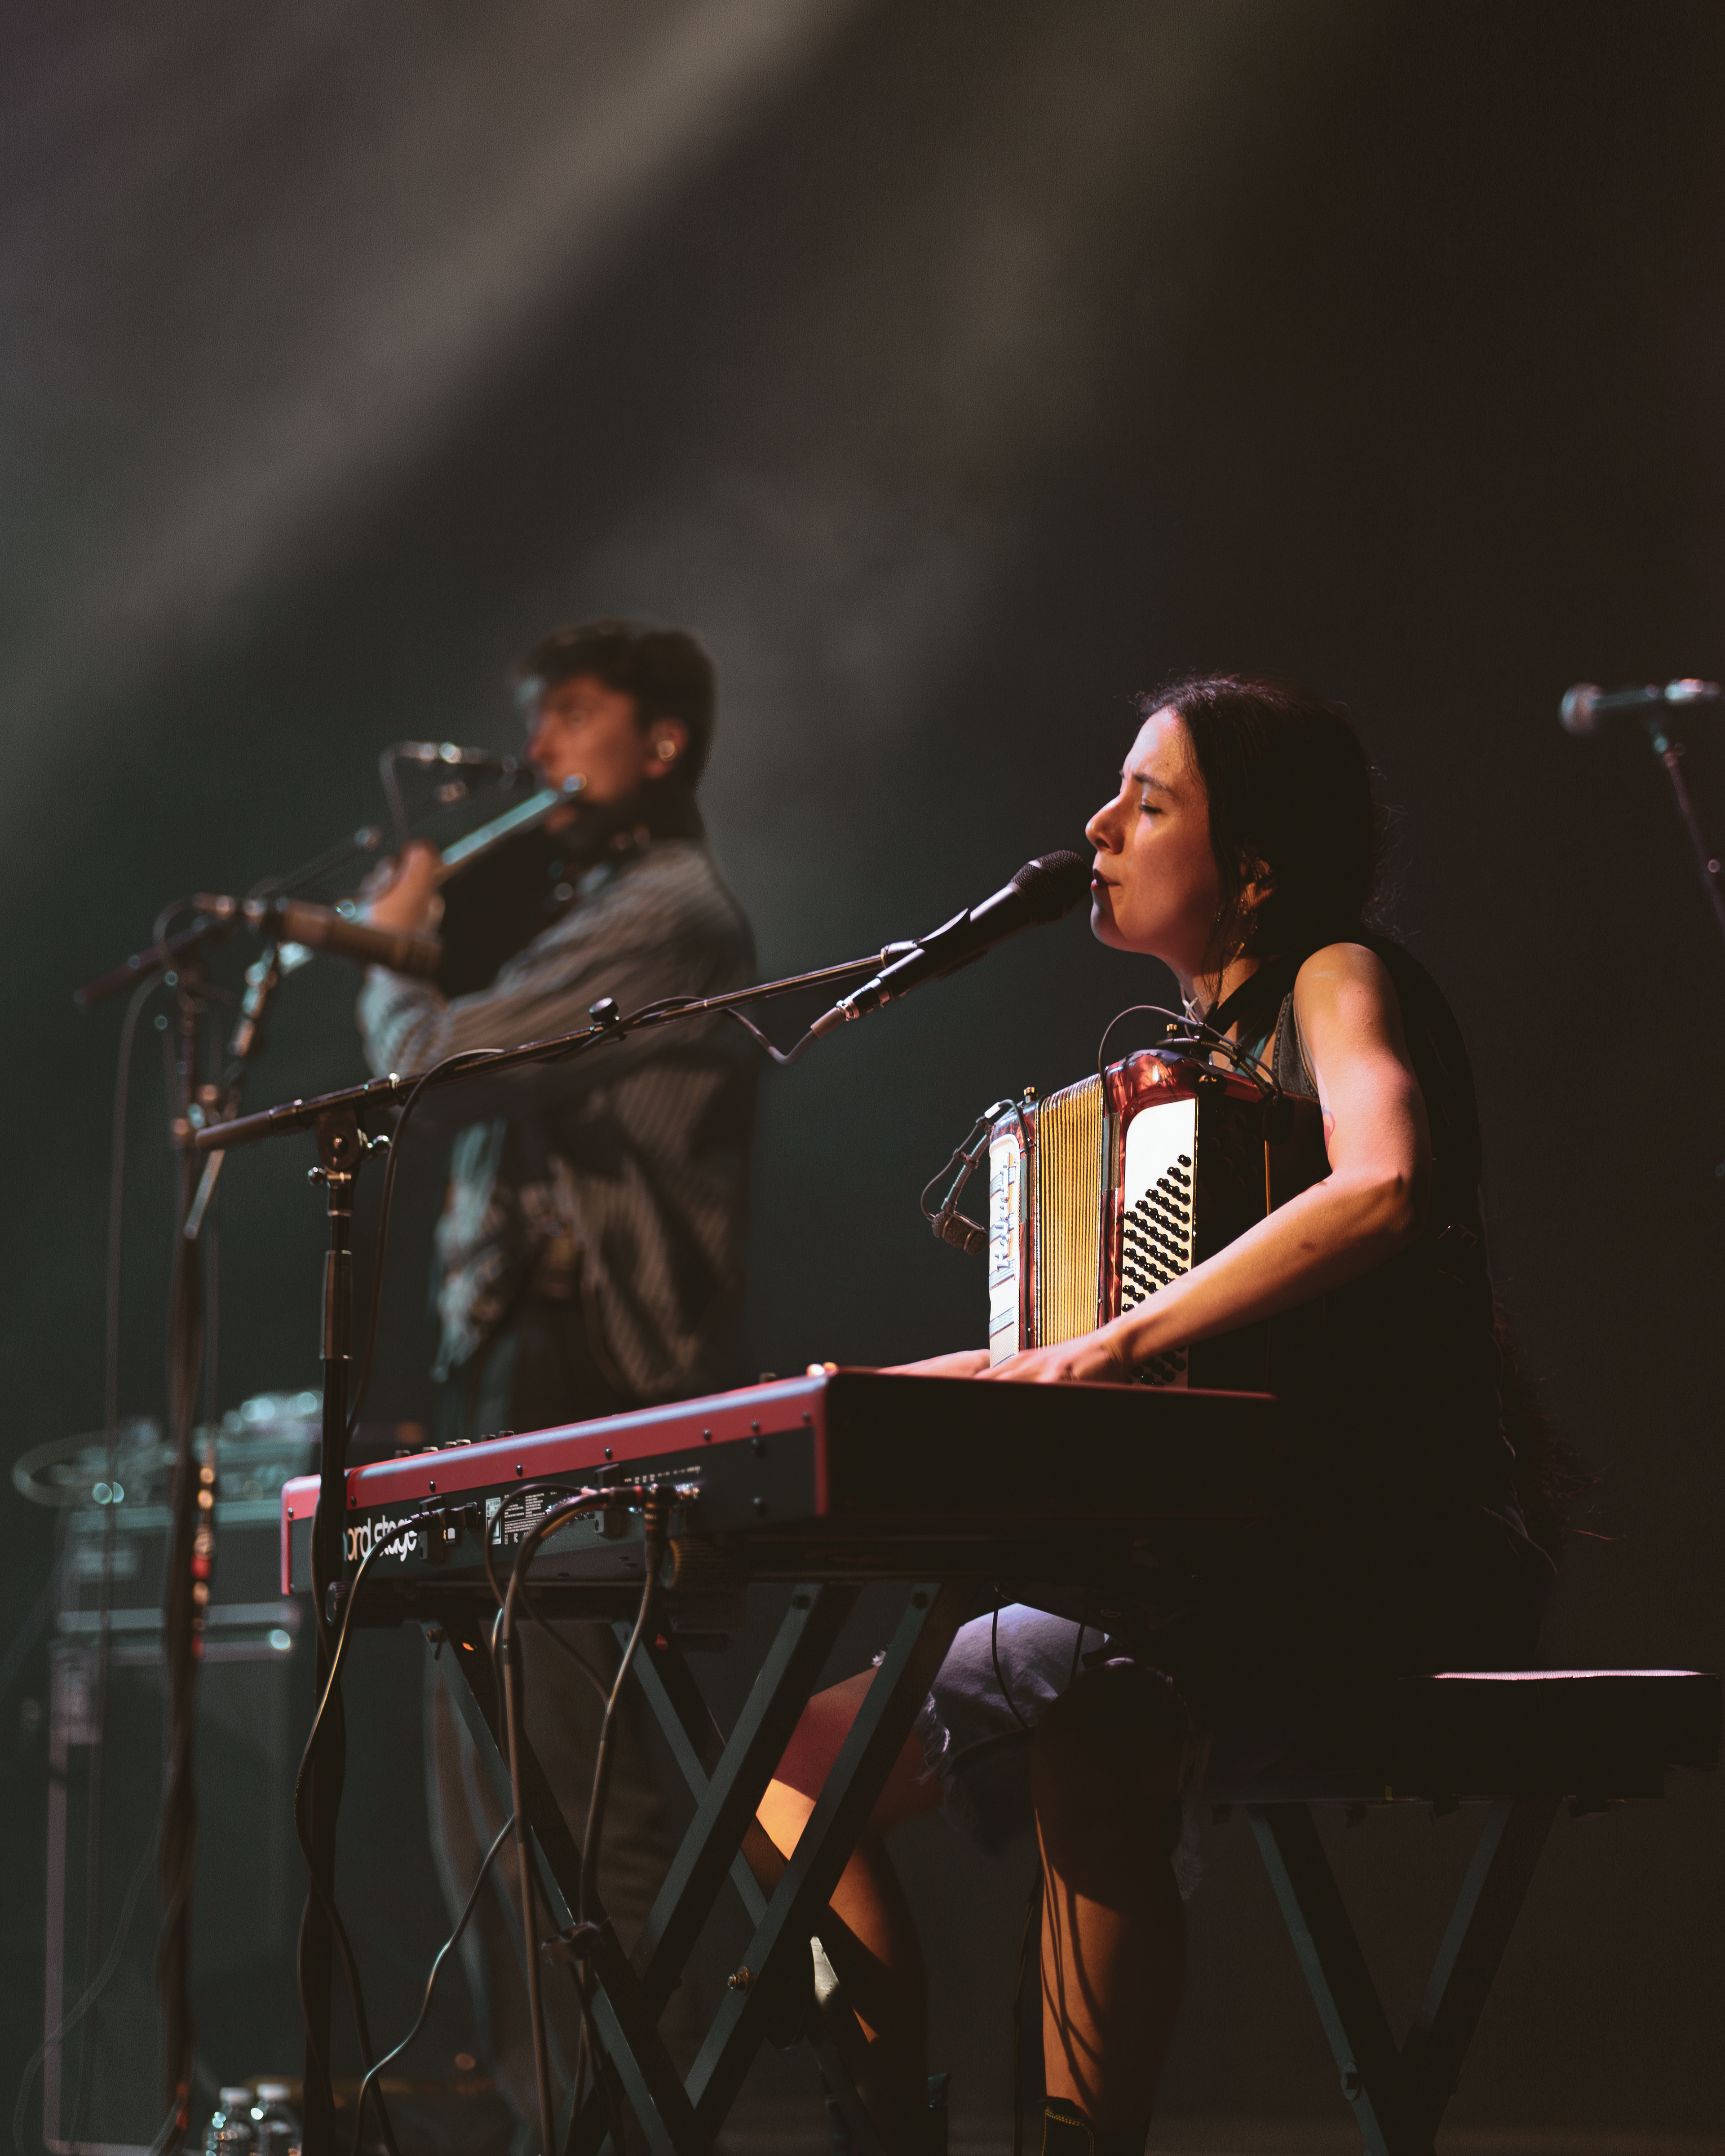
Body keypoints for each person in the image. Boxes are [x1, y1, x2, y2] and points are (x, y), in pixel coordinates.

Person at [756, 674, 1556, 2155]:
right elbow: (1046, 1361)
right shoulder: (1167, 1092)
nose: (1099, 825)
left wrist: (1116, 1344)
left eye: (1150, 800)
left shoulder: (1333, 976)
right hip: (1193, 1586)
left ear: (1250, 863)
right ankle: (883, 2127)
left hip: (1390, 1554)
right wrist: (818, 1406)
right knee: (796, 1768)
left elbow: (1382, 1183)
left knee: (1102, 1727)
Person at [358, 619, 757, 2137]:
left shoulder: (670, 912)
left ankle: (618, 2125)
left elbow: (450, 1063)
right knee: (501, 1821)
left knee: (584, 1808)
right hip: (524, 1375)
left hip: (602, 1392)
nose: (540, 752)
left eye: (573, 715)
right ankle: (559, 2127)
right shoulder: (600, 907)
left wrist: (394, 951)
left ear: (662, 742)